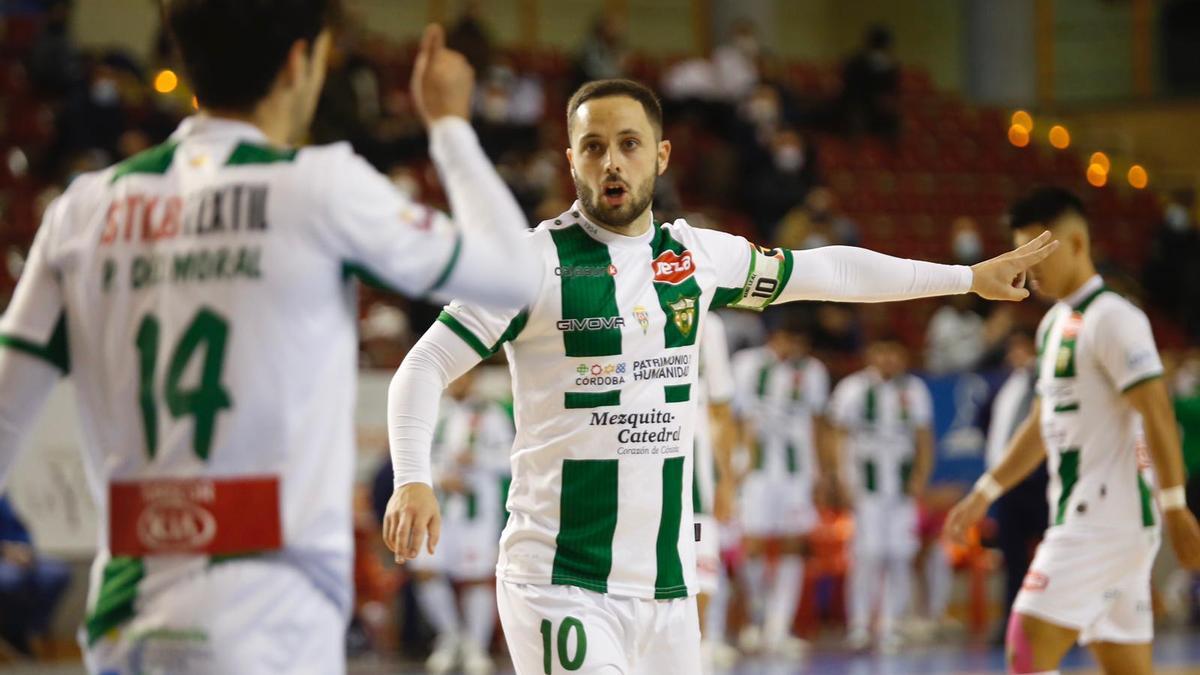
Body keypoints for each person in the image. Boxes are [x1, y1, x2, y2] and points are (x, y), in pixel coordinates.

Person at [383, 78, 1058, 674]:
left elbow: (829, 271)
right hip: (561, 581)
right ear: (571, 160)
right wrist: (413, 475)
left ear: (662, 155)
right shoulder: (529, 265)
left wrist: (966, 276)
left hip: (669, 592)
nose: (611, 162)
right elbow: (423, 364)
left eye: (629, 143)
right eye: (593, 147)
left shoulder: (697, 256)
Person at [0, 2, 539, 671]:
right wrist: (450, 125)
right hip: (273, 620)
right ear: (299, 62)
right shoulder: (319, 188)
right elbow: (518, 274)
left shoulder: (82, 210)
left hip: (126, 623)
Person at [946, 187, 1200, 675]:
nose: (1028, 265)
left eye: (1040, 251)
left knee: (1026, 642)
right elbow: (1042, 423)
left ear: (1078, 244)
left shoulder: (1115, 318)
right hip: (1096, 515)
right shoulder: (1053, 325)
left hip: (1105, 517)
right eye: (1022, 251)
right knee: (1124, 664)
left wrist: (1175, 504)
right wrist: (986, 490)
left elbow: (1157, 411)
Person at [730, 309, 829, 657]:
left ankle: (778, 627)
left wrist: (822, 473)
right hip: (755, 468)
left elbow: (817, 423)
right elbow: (733, 417)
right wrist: (734, 465)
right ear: (774, 337)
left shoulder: (813, 371)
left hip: (796, 470)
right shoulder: (746, 365)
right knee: (753, 543)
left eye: (801, 342)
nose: (794, 348)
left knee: (792, 543)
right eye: (789, 339)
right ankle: (754, 622)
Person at [829, 336, 935, 653]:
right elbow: (838, 434)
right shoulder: (853, 389)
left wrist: (920, 476)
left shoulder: (914, 389)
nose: (889, 358)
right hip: (866, 483)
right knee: (866, 554)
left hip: (900, 484)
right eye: (883, 351)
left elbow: (924, 437)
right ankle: (859, 625)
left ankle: (892, 625)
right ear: (872, 354)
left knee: (899, 554)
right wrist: (842, 478)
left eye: (895, 352)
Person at [408, 369, 514, 675]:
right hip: (438, 505)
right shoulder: (433, 411)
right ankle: (450, 636)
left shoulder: (492, 414)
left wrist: (477, 459)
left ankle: (475, 647)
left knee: (477, 577)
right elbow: (414, 455)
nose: (458, 381)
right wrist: (439, 476)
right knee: (427, 570)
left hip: (477, 510)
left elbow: (512, 459)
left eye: (464, 376)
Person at [984, 329, 1048, 640]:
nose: (1016, 355)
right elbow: (987, 421)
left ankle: (1055, 622)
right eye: (1012, 350)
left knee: (1051, 555)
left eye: (1022, 348)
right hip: (1008, 484)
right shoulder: (1005, 384)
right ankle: (1012, 622)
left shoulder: (1045, 381)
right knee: (1011, 556)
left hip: (1041, 480)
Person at [691, 312, 740, 669]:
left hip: (695, 461)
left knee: (700, 562)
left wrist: (726, 479)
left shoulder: (710, 323)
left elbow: (721, 410)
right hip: (633, 456)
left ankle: (700, 647)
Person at [0, 495, 71, 658]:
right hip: (5, 559)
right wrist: (5, 551)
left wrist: (25, 550)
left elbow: (19, 530)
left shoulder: (2, 495)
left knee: (57, 573)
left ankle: (29, 631)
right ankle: (10, 630)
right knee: (12, 580)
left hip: (20, 556)